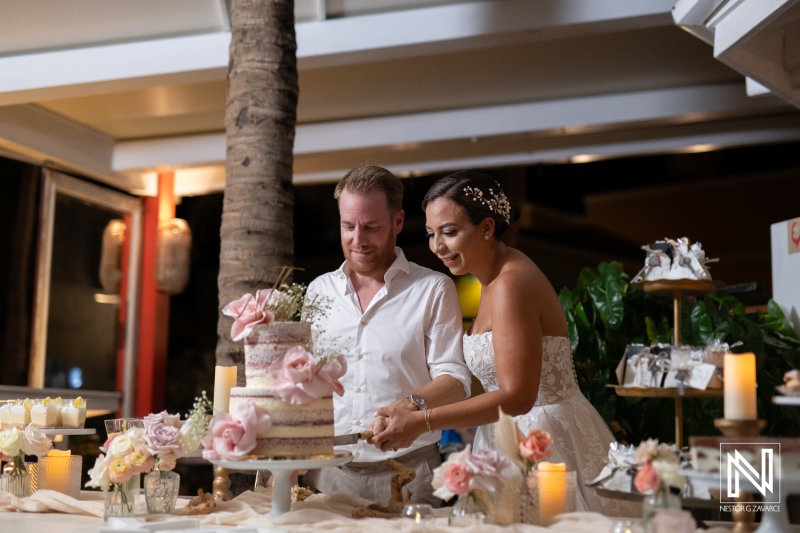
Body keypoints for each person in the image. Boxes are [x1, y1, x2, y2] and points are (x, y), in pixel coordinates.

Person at [373, 170, 623, 514]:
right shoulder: (490, 281)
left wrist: (424, 422)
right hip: (506, 437)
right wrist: (410, 405)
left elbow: (519, 397)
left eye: (449, 232)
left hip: (543, 444)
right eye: (431, 234)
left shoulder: (510, 284)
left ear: (487, 228)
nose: (437, 246)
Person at [303, 164, 472, 506]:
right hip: (326, 473)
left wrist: (409, 405)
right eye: (347, 226)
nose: (357, 240)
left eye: (371, 227)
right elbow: (307, 381)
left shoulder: (433, 289)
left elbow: (456, 379)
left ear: (397, 222)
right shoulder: (318, 290)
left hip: (410, 474)